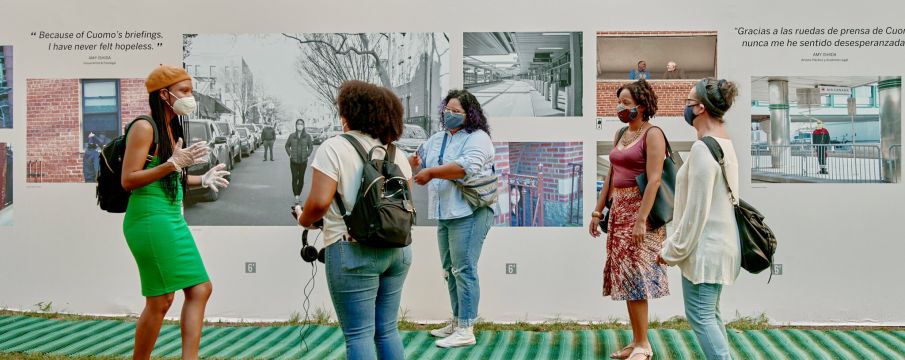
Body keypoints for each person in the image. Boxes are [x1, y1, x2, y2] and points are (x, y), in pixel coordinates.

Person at [294, 80, 412, 360]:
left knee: (359, 334)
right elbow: (405, 206)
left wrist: (303, 219)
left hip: (352, 251)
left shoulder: (334, 148)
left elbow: (319, 203)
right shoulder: (396, 153)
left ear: (351, 112)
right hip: (398, 251)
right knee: (387, 330)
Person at [122, 65, 230, 360]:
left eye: (191, 90)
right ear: (164, 94)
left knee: (200, 289)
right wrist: (172, 164)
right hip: (149, 219)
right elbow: (129, 180)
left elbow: (171, 177)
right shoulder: (145, 127)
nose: (190, 97)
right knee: (161, 300)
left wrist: (201, 179)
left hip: (170, 217)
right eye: (184, 91)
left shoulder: (172, 127)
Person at [658, 78, 741, 360]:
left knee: (701, 317)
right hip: (718, 246)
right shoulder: (723, 143)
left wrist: (671, 250)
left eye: (688, 101)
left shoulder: (703, 149)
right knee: (710, 315)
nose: (685, 106)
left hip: (706, 250)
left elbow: (697, 211)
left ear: (701, 108)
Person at [589, 79, 669, 360]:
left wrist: (640, 220)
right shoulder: (621, 133)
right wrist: (598, 211)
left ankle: (644, 345)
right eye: (619, 102)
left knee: (637, 277)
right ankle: (636, 341)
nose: (620, 108)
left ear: (642, 105)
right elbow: (610, 174)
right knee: (625, 278)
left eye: (626, 103)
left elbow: (655, 178)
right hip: (619, 210)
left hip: (640, 212)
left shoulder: (653, 134)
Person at [410, 89, 495, 348]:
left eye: (456, 112)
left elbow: (465, 168)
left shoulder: (478, 138)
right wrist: (414, 163)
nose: (450, 115)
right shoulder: (437, 138)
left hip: (470, 211)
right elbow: (419, 160)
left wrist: (432, 172)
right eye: (447, 110)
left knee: (464, 269)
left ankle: (466, 328)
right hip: (445, 212)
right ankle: (458, 321)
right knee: (449, 271)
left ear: (470, 114)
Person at [285, 119, 314, 204]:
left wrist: (307, 154)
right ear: (296, 125)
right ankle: (296, 196)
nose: (299, 125)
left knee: (301, 179)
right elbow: (287, 146)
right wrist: (290, 154)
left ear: (303, 125)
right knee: (294, 178)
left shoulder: (307, 136)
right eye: (298, 124)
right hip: (293, 161)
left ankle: (298, 194)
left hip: (303, 162)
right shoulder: (292, 136)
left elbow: (311, 147)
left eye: (301, 124)